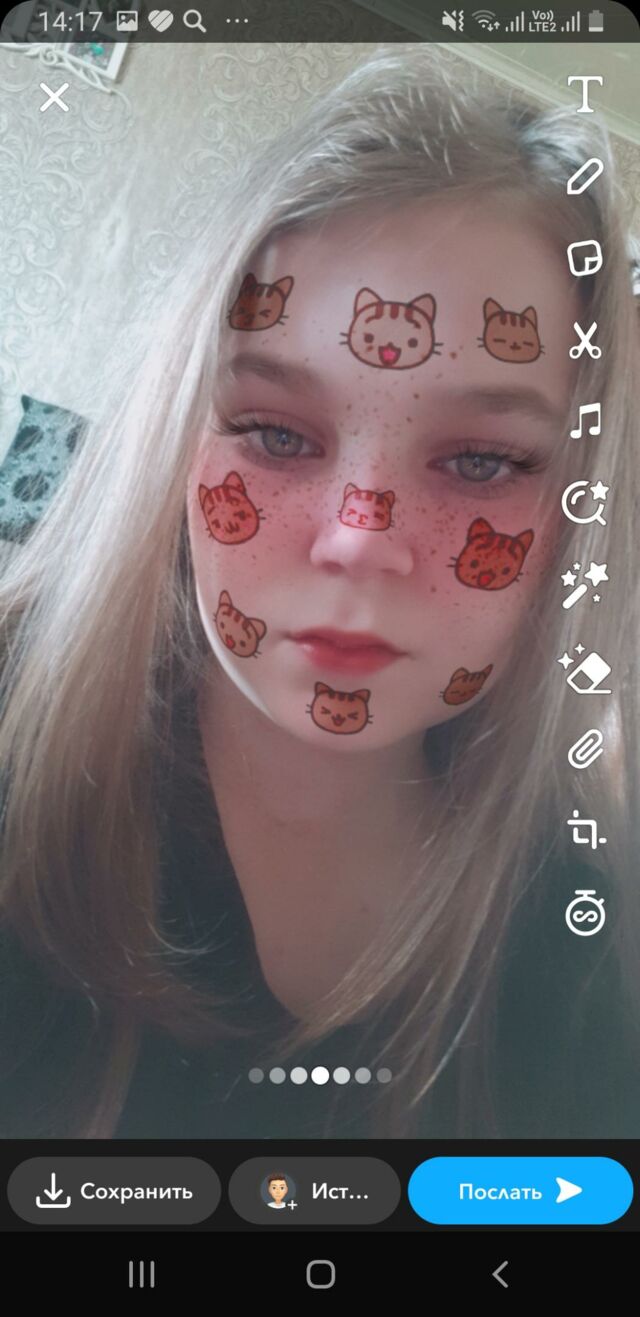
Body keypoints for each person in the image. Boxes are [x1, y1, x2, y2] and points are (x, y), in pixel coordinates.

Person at [0, 45, 639, 1141]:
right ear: (175, 435)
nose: (357, 539)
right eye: (275, 433)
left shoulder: (577, 945)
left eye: (481, 461)